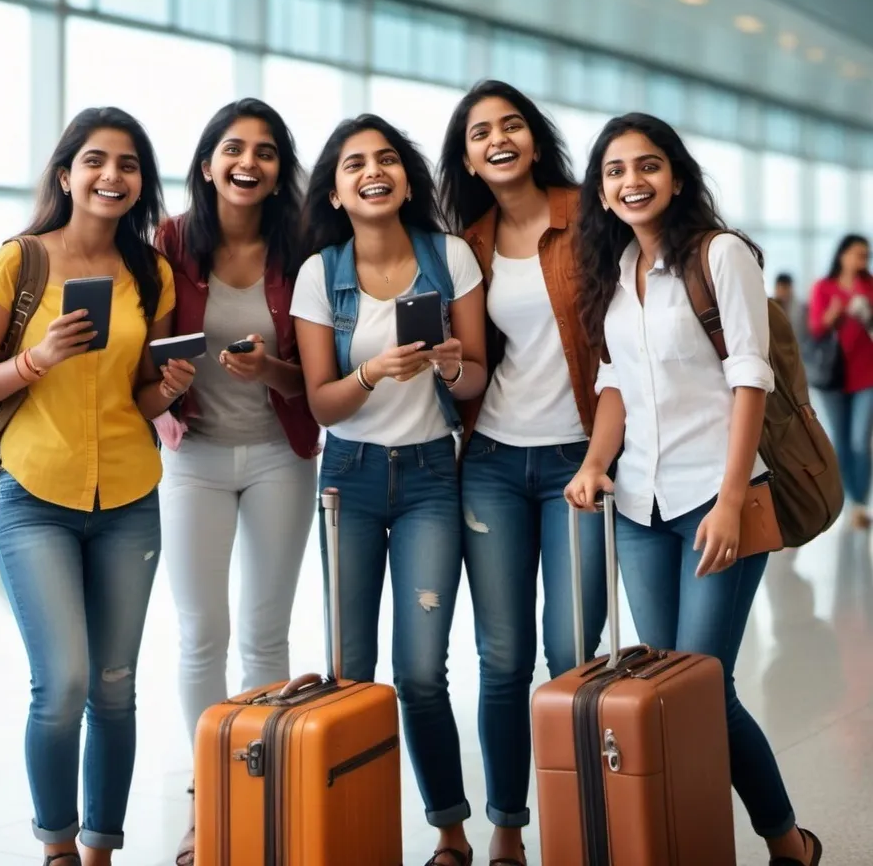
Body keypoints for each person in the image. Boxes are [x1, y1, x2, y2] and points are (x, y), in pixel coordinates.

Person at [566, 112, 822, 866]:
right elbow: (613, 383)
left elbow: (750, 375)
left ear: (676, 177)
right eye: (615, 170)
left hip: (720, 500)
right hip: (641, 507)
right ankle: (696, 841)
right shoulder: (615, 272)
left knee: (704, 688)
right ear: (602, 192)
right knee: (670, 688)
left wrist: (731, 497)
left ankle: (786, 841)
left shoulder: (721, 254)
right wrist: (594, 461)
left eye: (647, 165)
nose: (631, 181)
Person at [0, 107, 193, 866]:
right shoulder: (18, 262)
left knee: (114, 689)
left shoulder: (150, 274)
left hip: (129, 499)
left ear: (141, 185)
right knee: (62, 684)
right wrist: (38, 358)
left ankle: (100, 852)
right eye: (95, 161)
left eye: (128, 165)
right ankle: (57, 849)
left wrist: (173, 386)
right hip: (35, 499)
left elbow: (142, 394)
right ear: (66, 174)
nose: (111, 176)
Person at [292, 114, 486, 866]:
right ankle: (355, 830)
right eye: (353, 164)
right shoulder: (322, 272)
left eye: (386, 160)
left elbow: (474, 379)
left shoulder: (450, 257)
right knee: (350, 672)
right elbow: (320, 404)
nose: (372, 171)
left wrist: (445, 364)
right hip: (349, 478)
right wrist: (370, 372)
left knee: (418, 672)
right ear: (336, 192)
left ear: (406, 178)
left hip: (433, 476)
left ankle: (450, 832)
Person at [438, 80, 605, 866]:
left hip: (583, 461)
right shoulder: (463, 245)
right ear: (466, 155)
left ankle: (576, 818)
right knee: (501, 660)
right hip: (495, 463)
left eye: (511, 126)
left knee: (572, 654)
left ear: (534, 140)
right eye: (480, 132)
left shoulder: (589, 216)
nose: (497, 139)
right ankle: (506, 822)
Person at [153, 98, 320, 866]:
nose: (248, 162)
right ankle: (206, 794)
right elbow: (142, 352)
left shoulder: (303, 248)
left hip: (282, 454)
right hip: (194, 456)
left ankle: (263, 781)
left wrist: (270, 369)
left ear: (282, 168)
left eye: (265, 151)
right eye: (233, 148)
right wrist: (167, 378)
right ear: (208, 161)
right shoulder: (171, 242)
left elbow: (314, 377)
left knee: (264, 635)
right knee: (199, 636)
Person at [808, 234, 873, 530]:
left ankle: (860, 502)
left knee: (861, 440)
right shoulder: (824, 287)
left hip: (866, 374)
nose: (863, 260)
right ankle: (849, 501)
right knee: (841, 442)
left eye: (866, 255)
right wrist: (832, 315)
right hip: (832, 377)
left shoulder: (868, 286)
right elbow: (816, 329)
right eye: (859, 254)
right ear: (843, 255)